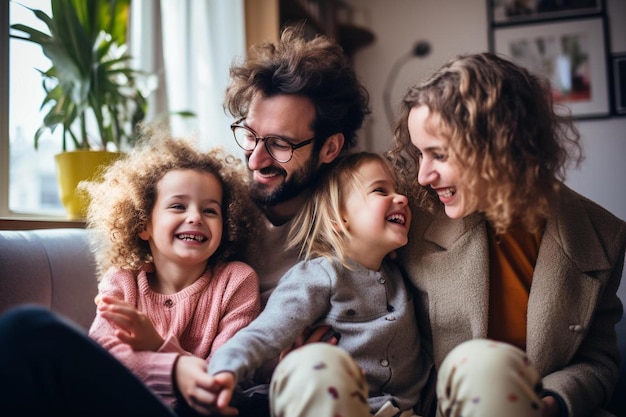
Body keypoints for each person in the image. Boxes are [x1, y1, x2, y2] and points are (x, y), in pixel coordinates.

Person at [0, 26, 370, 416]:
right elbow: (109, 349)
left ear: (330, 147)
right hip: (176, 391)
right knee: (26, 334)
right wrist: (173, 365)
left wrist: (293, 367)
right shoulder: (224, 206)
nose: (256, 160)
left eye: (279, 144)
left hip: (250, 400)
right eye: (249, 135)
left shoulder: (353, 223)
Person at [387, 52, 626, 417]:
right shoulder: (410, 217)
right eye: (420, 154)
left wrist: (546, 406)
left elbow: (599, 362)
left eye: (439, 154)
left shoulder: (602, 235)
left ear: (500, 144)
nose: (423, 176)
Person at [0, 129, 262, 416]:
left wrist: (157, 346)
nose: (195, 217)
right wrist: (174, 369)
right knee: (24, 330)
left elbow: (225, 375)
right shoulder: (122, 280)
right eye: (177, 206)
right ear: (143, 224)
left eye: (210, 211)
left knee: (27, 326)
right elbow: (104, 355)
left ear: (227, 225)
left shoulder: (237, 281)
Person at [205, 152, 430, 417]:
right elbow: (266, 332)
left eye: (399, 192)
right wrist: (225, 368)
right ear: (339, 220)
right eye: (380, 191)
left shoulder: (399, 275)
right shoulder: (319, 275)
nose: (402, 199)